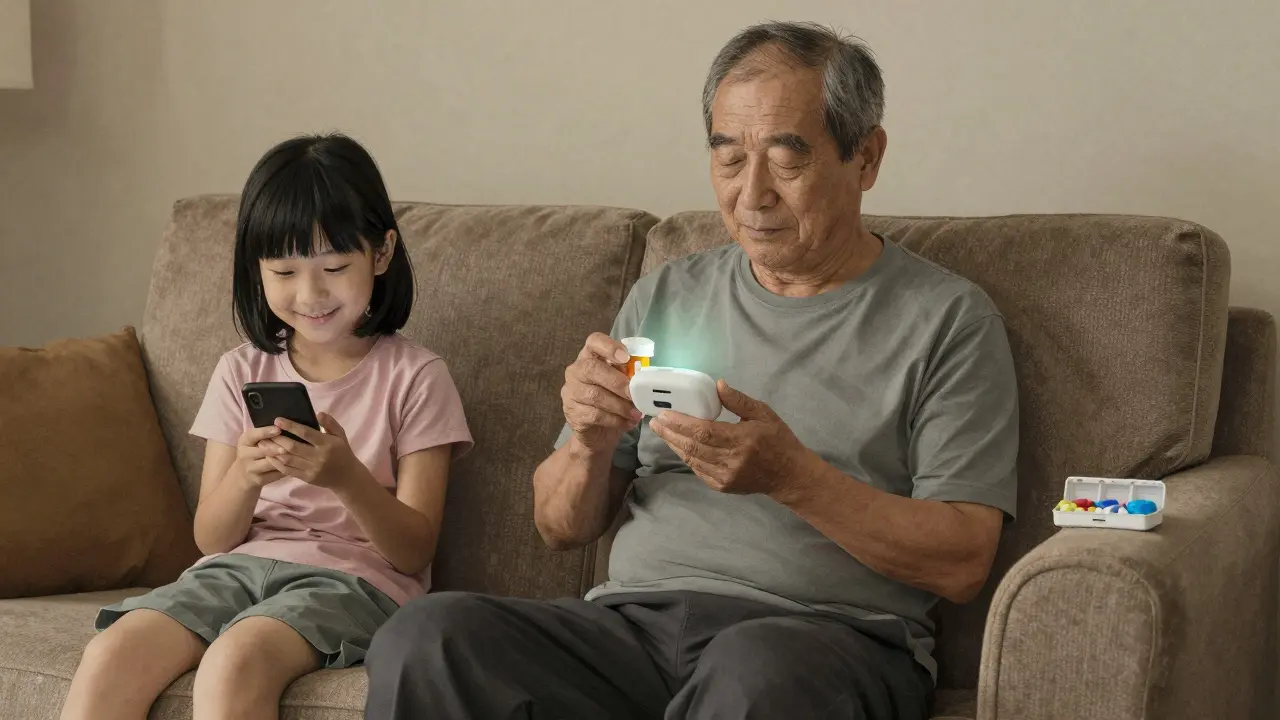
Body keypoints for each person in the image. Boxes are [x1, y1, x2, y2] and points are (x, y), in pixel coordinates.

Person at [365, 20, 1018, 720]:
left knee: (756, 671)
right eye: (729, 159)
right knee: (429, 636)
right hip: (631, 633)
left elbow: (962, 561)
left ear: (866, 157)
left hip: (826, 640)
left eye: (786, 159)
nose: (753, 194)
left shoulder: (949, 319)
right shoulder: (668, 293)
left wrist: (794, 479)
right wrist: (587, 440)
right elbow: (558, 527)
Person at [60, 134, 473, 720]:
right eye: (284, 270)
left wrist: (347, 478)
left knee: (235, 660)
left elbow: (413, 552)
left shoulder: (417, 377)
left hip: (355, 581)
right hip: (233, 568)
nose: (310, 294)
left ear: (381, 254)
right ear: (257, 270)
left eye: (334, 266)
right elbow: (211, 538)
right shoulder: (240, 370)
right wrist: (247, 478)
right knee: (110, 653)